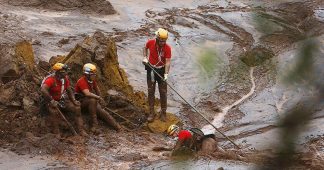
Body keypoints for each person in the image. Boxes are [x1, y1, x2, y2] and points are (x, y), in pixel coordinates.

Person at [40, 62, 88, 137]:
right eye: (64, 71)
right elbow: (43, 90)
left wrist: (74, 100)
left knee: (77, 108)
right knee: (54, 112)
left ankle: (81, 130)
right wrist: (51, 101)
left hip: (61, 99)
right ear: (59, 72)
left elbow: (69, 90)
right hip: (50, 100)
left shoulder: (64, 79)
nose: (66, 73)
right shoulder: (50, 80)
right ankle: (57, 132)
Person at [75, 63, 121, 133]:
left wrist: (100, 99)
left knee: (102, 112)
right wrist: (98, 98)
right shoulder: (81, 81)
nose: (94, 75)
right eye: (93, 74)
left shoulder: (92, 81)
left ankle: (117, 127)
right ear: (87, 74)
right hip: (81, 102)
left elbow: (97, 90)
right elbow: (87, 93)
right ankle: (94, 125)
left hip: (89, 101)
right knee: (93, 100)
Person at [142, 28, 172, 122]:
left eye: (164, 41)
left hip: (162, 70)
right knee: (151, 91)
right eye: (161, 40)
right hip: (151, 69)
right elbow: (145, 48)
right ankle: (151, 112)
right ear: (157, 38)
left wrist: (166, 74)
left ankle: (163, 113)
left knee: (163, 92)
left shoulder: (167, 48)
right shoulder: (150, 42)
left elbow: (167, 62)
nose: (163, 42)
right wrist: (145, 57)